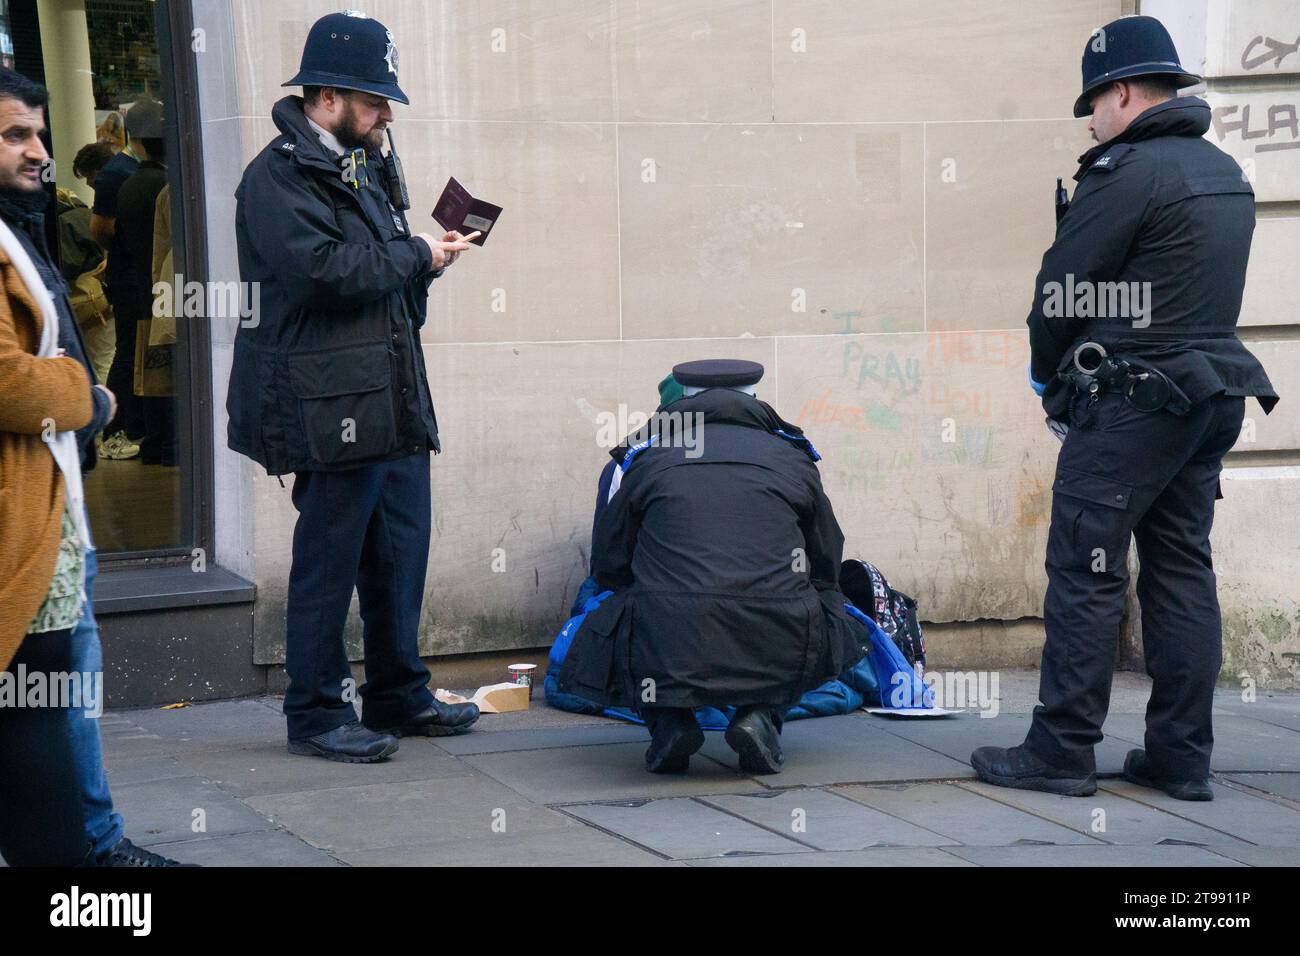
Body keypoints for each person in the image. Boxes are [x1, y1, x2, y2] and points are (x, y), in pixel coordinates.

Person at [971, 15, 1278, 801]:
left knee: (1086, 567)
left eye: (1094, 102)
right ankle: (1182, 757)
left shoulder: (1126, 172)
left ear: (1125, 91)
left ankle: (1062, 750)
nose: (1089, 119)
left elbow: (1062, 290)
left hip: (1133, 408)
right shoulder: (1222, 171)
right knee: (1180, 572)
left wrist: (1048, 377)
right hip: (1211, 398)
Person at [227, 11, 480, 763]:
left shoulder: (362, 164)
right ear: (328, 97)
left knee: (399, 549)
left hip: (390, 392)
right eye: (374, 101)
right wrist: (415, 255)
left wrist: (429, 260)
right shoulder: (276, 176)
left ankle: (398, 693)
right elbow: (323, 274)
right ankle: (315, 710)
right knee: (329, 559)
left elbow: (383, 275)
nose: (385, 114)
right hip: (328, 401)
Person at [0, 68, 189, 866]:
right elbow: (9, 382)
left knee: (58, 702)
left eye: (38, 134)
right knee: (41, 716)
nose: (36, 151)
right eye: (15, 134)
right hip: (23, 526)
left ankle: (93, 846)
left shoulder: (24, 221)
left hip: (53, 507)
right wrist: (88, 396)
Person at [555, 360, 866, 774]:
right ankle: (761, 716)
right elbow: (828, 558)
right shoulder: (793, 458)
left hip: (668, 629)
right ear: (754, 397)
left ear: (682, 399)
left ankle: (669, 722)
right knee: (828, 603)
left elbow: (609, 563)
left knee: (614, 609)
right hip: (778, 626)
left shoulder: (648, 458)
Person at [91, 102, 153, 461]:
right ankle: (114, 430)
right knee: (128, 347)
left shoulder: (135, 169)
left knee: (140, 347)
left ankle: (135, 424)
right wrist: (121, 249)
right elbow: (100, 228)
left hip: (141, 273)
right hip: (129, 276)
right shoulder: (117, 172)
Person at [112, 109, 174, 465]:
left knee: (152, 368)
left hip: (152, 285)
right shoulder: (167, 190)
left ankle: (155, 440)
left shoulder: (130, 184)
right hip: (174, 289)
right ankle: (166, 443)